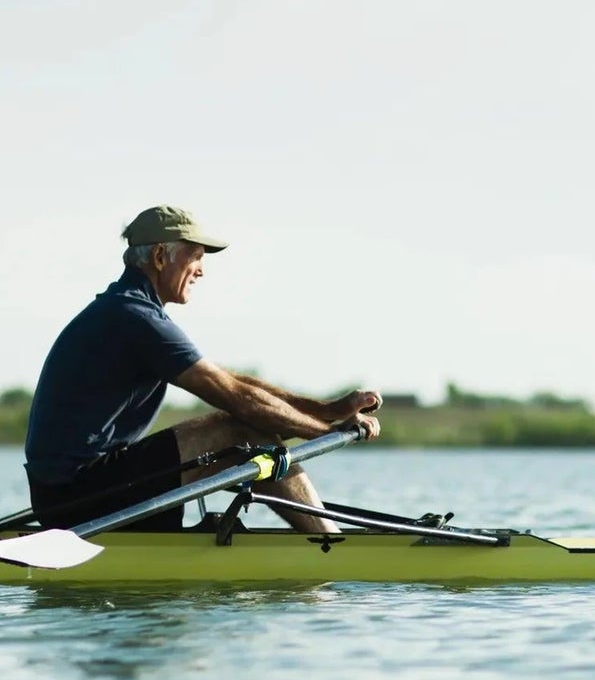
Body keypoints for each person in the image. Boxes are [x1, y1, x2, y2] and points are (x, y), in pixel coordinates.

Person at [22, 206, 380, 534]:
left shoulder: (130, 311)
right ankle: (329, 546)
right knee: (238, 431)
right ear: (161, 257)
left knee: (242, 429)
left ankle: (324, 540)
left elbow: (233, 382)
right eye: (194, 257)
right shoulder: (133, 318)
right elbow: (236, 399)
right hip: (75, 495)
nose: (202, 270)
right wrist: (321, 432)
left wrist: (326, 410)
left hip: (74, 490)